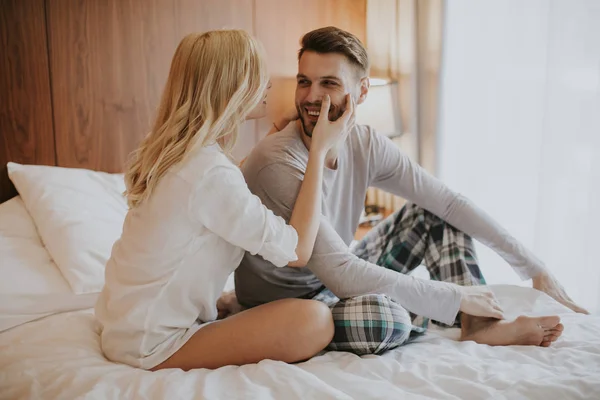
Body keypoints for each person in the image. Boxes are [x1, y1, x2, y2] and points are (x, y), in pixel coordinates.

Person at [235, 26, 582, 355]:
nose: (311, 97)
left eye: (328, 83)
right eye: (304, 82)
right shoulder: (276, 160)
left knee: (430, 214)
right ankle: (445, 312)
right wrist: (454, 297)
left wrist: (536, 268)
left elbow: (448, 203)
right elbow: (341, 272)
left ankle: (480, 324)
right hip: (288, 307)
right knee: (382, 320)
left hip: (338, 277)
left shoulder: (366, 143)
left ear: (362, 92)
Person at [94, 30, 355, 371]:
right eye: (258, 77)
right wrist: (318, 151)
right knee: (314, 320)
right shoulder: (210, 174)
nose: (269, 86)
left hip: (126, 325)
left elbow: (225, 191)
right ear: (232, 89)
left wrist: (274, 138)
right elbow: (295, 250)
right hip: (148, 344)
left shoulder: (183, 158)